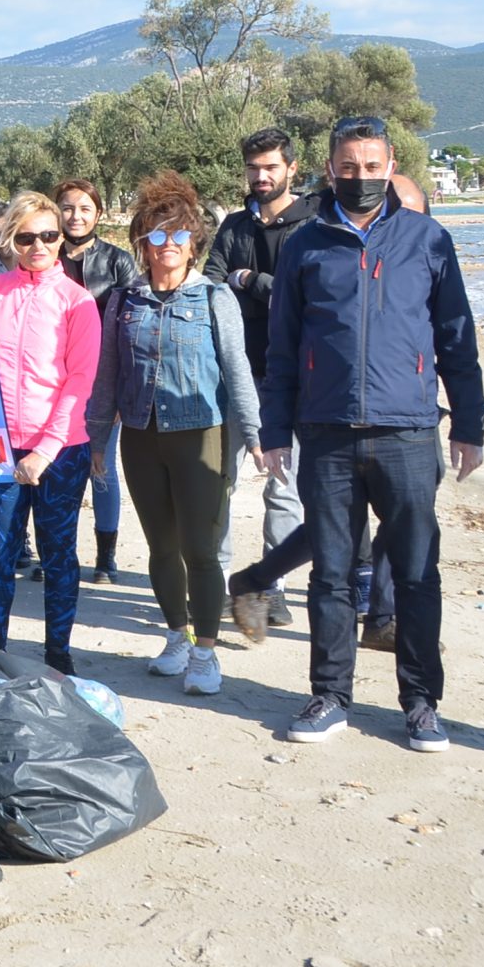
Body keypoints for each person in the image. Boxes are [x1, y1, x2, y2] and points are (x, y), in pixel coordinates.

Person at [259, 117, 484, 752]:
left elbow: (457, 339)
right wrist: (275, 429)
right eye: (349, 166)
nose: (361, 177)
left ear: (391, 165)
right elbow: (282, 348)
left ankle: (421, 703)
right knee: (331, 574)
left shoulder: (428, 240)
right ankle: (329, 695)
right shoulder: (307, 244)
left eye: (373, 165)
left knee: (415, 573)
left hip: (408, 432)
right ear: (330, 169)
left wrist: (469, 423)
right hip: (325, 435)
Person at [227, 170, 421, 645]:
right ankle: (255, 580)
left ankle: (382, 617)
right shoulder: (321, 251)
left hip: (409, 414)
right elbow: (288, 338)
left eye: (412, 213)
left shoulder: (424, 252)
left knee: (405, 519)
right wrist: (278, 420)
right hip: (330, 410)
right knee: (331, 525)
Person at [86, 174, 260, 698]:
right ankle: (176, 637)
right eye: (156, 237)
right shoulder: (124, 301)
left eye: (178, 237)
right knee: (161, 548)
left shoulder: (214, 298)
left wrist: (252, 433)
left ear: (195, 244)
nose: (167, 248)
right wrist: (97, 439)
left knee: (200, 549)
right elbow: (107, 375)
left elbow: (236, 368)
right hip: (140, 435)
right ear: (141, 242)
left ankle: (206, 652)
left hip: (201, 433)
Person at [0, 192, 100, 673]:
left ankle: (58, 655)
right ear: (11, 241)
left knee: (58, 554)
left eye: (49, 235)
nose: (39, 245)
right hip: (0, 449)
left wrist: (45, 450)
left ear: (62, 237)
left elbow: (79, 382)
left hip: (61, 451)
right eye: (26, 237)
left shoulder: (78, 302)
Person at [207, 128, 318, 636]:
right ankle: (217, 581)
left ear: (291, 168)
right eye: (253, 168)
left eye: (270, 167)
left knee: (285, 486)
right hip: (234, 374)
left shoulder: (314, 225)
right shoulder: (232, 227)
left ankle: (270, 586)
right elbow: (209, 289)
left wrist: (249, 280)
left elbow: (305, 294)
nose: (261, 176)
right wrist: (247, 285)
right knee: (218, 483)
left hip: (294, 377)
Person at [56, 181, 140, 587]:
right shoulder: (41, 255)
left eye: (85, 208)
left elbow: (130, 329)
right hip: (49, 385)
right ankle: (59, 553)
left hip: (101, 385)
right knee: (57, 472)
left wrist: (124, 388)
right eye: (68, 208)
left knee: (101, 469)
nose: (76, 216)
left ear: (98, 213)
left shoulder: (118, 262)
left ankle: (106, 558)